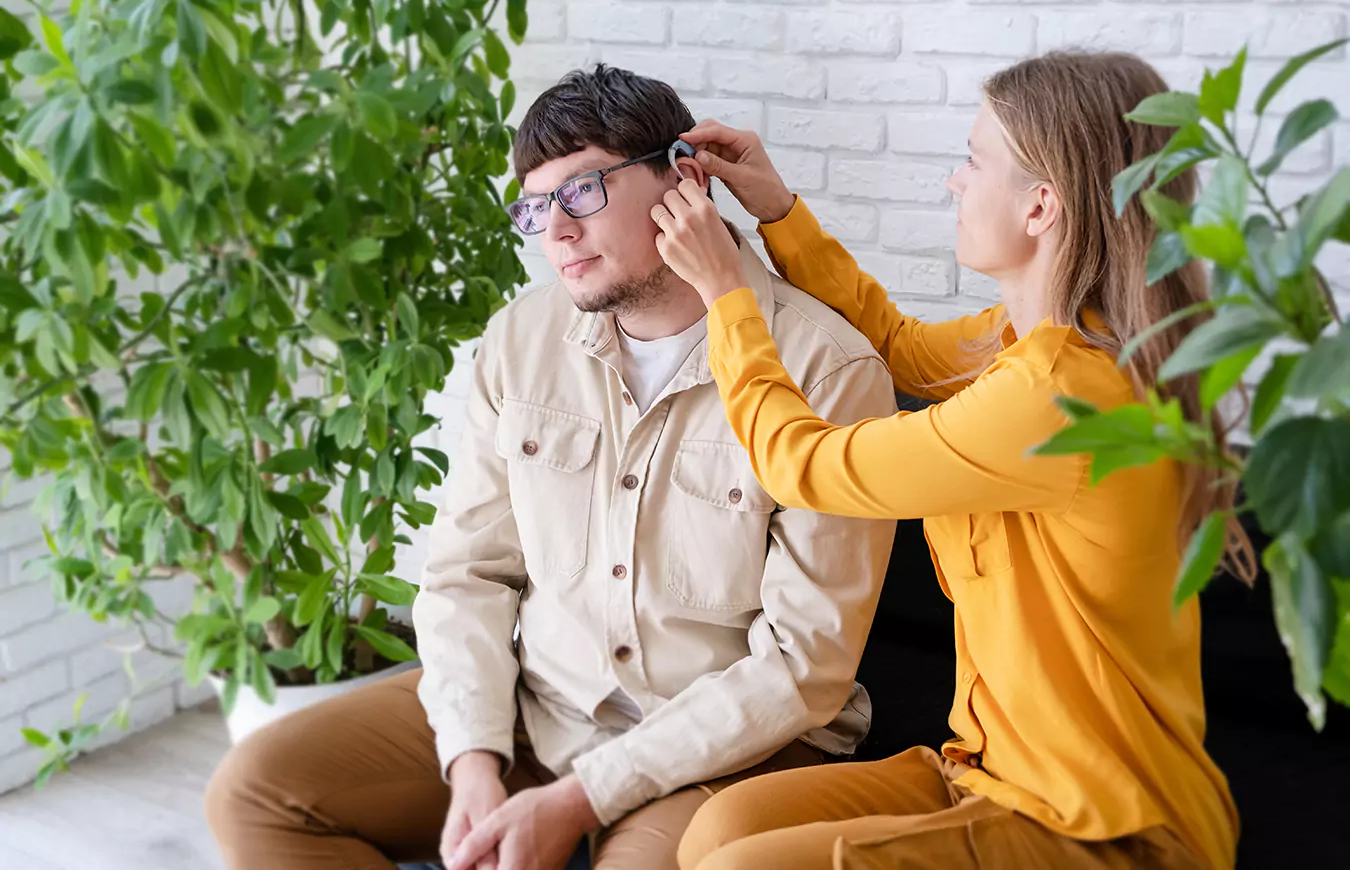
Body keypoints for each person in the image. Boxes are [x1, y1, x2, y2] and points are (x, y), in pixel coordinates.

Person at [203, 65, 897, 870]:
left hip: (729, 753)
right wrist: (471, 762)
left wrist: (579, 798)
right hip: (545, 710)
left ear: (684, 178)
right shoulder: (520, 341)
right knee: (254, 791)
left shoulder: (828, 370)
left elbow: (803, 667)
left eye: (584, 191)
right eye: (536, 206)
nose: (555, 231)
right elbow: (467, 574)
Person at [650, 51, 1243, 870]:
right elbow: (897, 346)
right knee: (717, 831)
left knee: (737, 866)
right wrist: (779, 210)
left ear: (1042, 205)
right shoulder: (1029, 345)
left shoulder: (1058, 398)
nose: (955, 183)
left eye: (974, 161)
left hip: (1101, 826)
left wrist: (726, 296)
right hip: (986, 773)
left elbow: (804, 465)